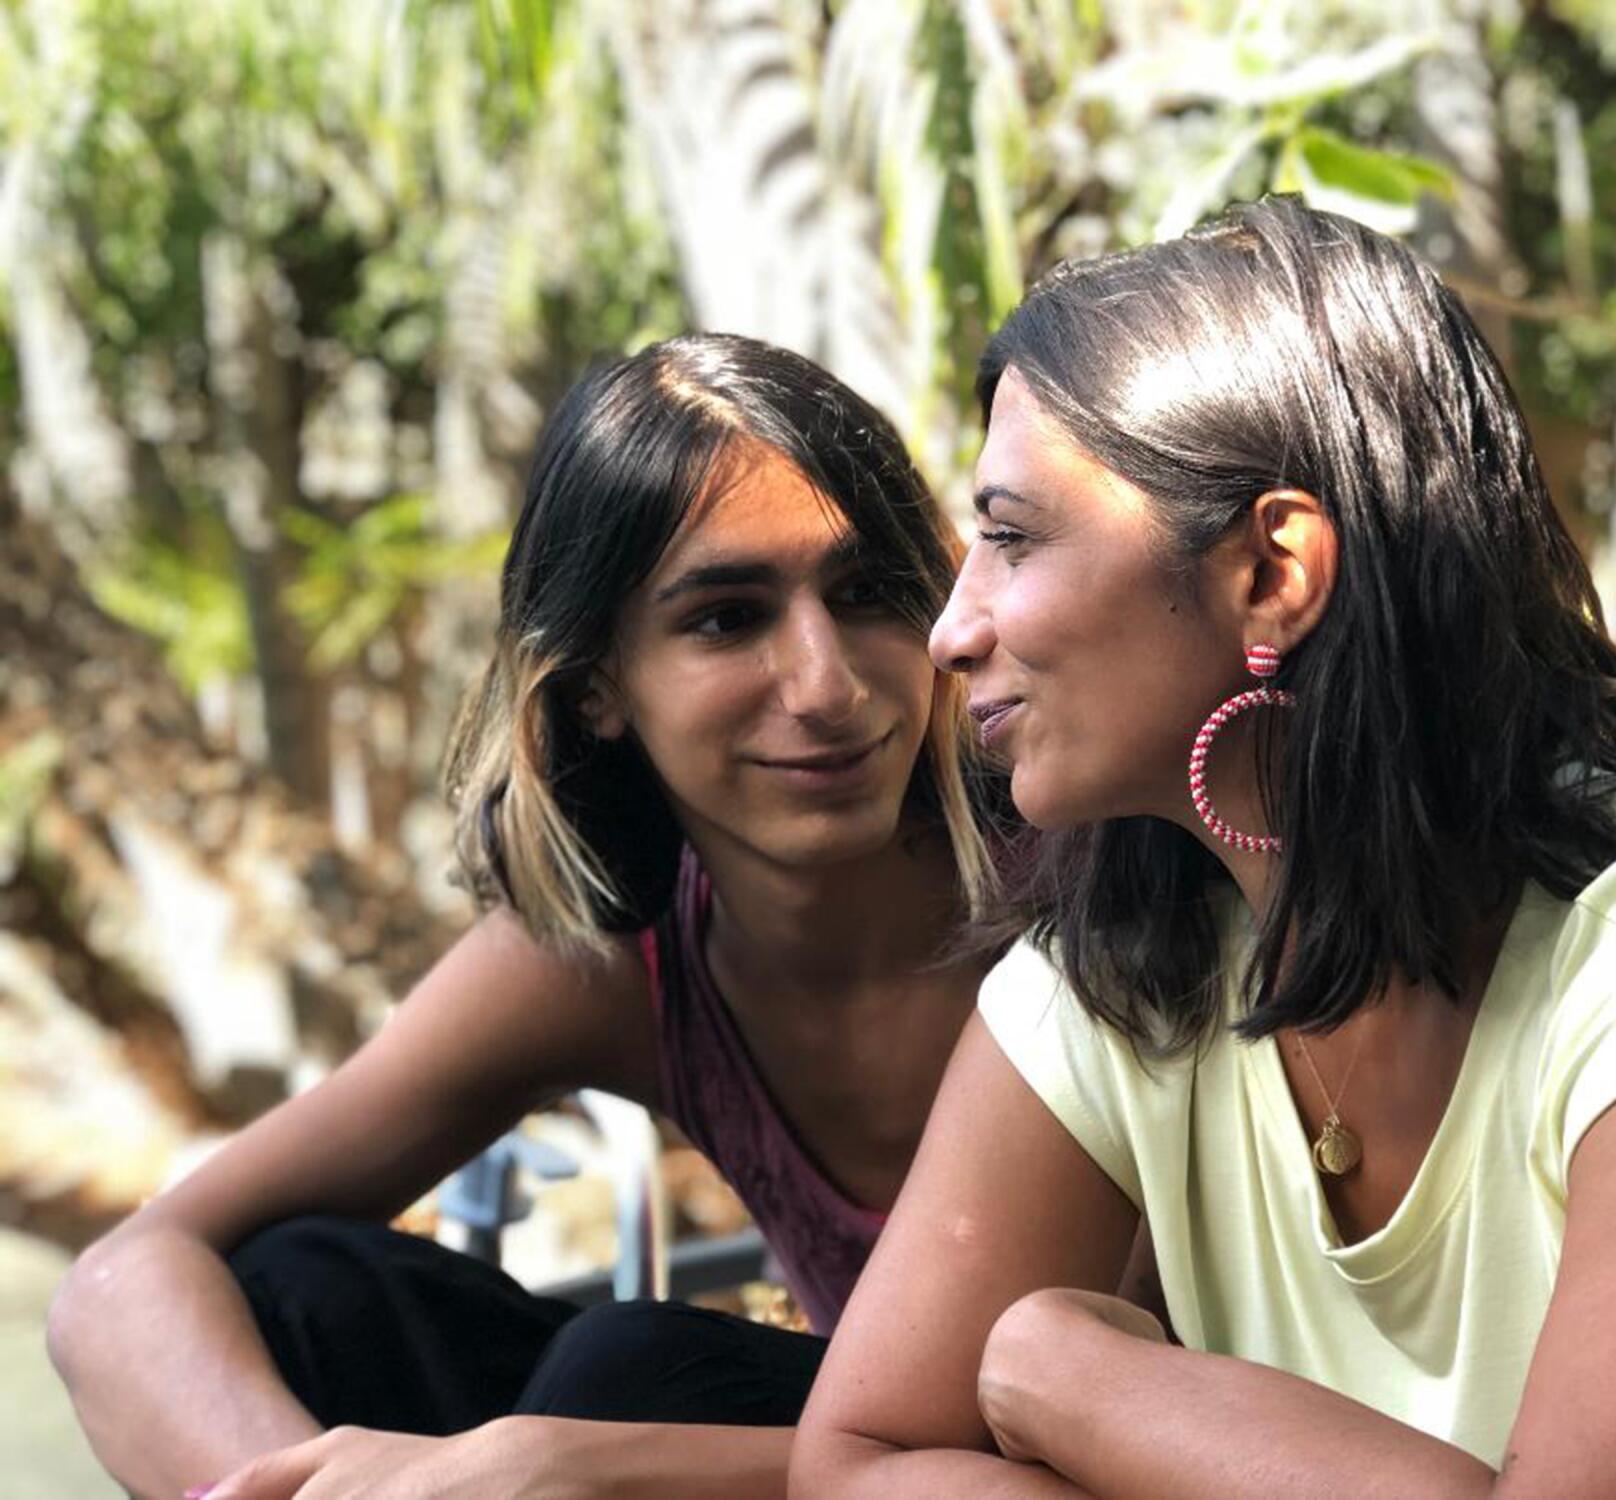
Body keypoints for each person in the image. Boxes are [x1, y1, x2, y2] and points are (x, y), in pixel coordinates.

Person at [791, 199, 1616, 1498]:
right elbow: (860, 1463)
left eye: (1014, 536)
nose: (950, 629)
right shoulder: (1132, 969)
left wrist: (1074, 1376)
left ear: (1274, 570)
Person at [46, 333, 1008, 1500]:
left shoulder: (1078, 892)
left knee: (637, 1372)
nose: (827, 686)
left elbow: (1142, 1418)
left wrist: (583, 1462)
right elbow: (125, 1278)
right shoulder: (618, 962)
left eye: (865, 595)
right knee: (302, 1288)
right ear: (597, 683)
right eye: (725, 619)